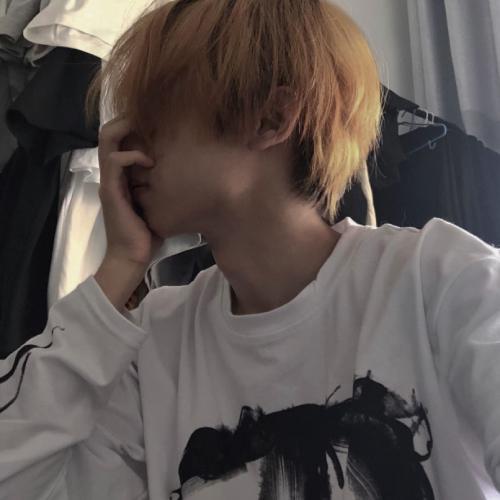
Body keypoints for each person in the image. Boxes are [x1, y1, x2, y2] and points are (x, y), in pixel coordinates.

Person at [1, 0, 499, 498]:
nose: (118, 137)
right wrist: (119, 266)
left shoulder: (441, 281)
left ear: (271, 119)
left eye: (154, 109)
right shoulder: (154, 342)